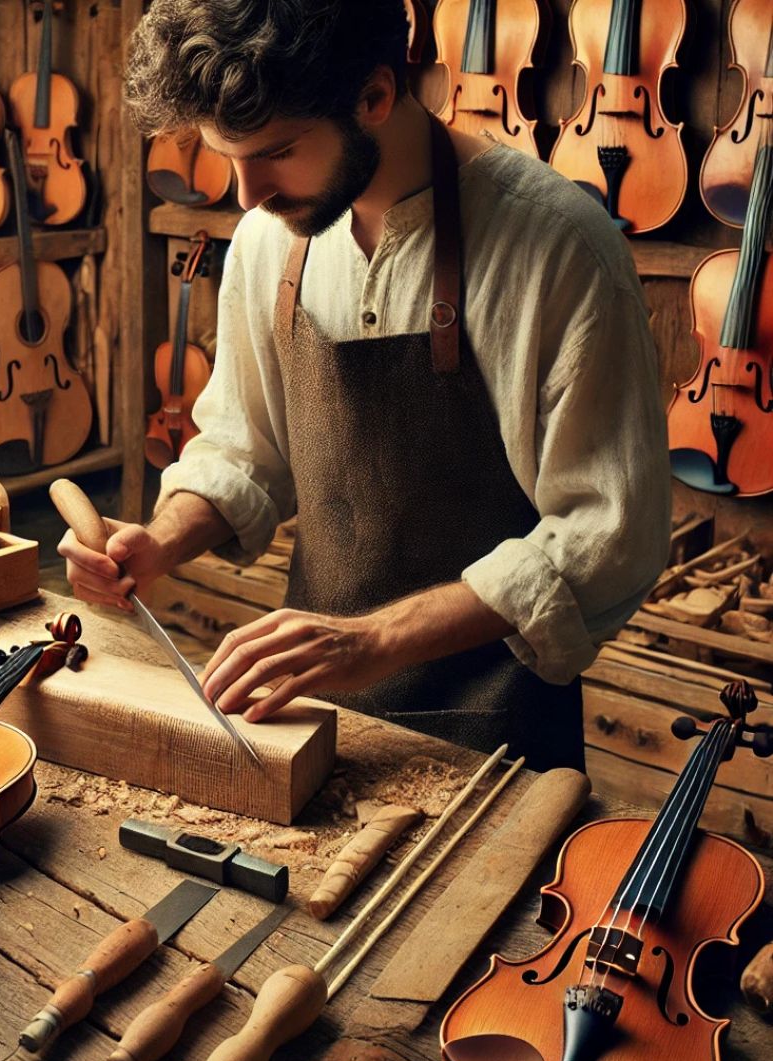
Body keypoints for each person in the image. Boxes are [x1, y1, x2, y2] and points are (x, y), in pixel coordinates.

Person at [59, 0, 671, 772]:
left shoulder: (559, 248)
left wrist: (373, 639)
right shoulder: (266, 239)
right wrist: (161, 541)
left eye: (276, 152)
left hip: (497, 732)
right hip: (310, 717)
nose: (246, 196)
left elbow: (605, 537)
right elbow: (244, 449)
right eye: (226, 157)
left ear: (375, 97)